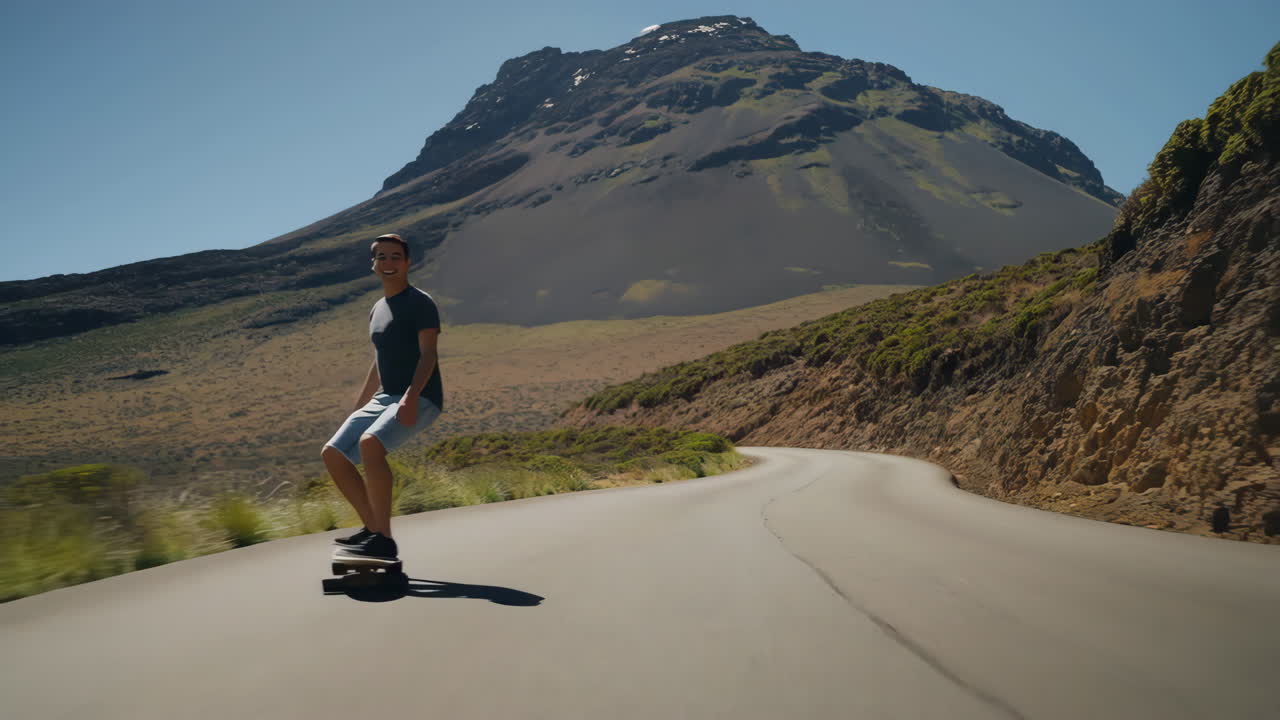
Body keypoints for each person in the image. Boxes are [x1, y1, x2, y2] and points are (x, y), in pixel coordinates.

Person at [320, 233, 444, 561]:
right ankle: (373, 529)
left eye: (395, 257)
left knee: (370, 444)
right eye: (381, 257)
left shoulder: (421, 302)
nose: (388, 263)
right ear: (373, 264)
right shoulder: (377, 309)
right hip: (384, 396)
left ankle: (383, 539)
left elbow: (428, 355)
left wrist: (410, 398)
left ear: (407, 263)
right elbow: (380, 359)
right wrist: (361, 403)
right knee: (333, 453)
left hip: (422, 395)